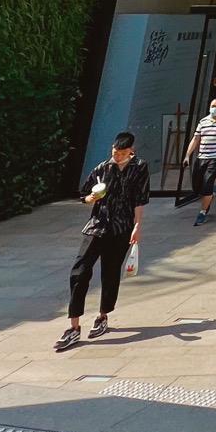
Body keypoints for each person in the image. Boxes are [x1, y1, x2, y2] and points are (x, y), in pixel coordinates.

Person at [57, 131, 150, 351]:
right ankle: (74, 327)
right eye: (114, 152)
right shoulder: (102, 168)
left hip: (121, 227)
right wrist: (91, 198)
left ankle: (102, 316)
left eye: (121, 153)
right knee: (79, 271)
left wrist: (137, 226)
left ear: (131, 151)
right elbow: (84, 194)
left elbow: (139, 199)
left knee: (110, 272)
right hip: (97, 225)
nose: (116, 156)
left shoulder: (139, 168)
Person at [183, 97, 216, 226]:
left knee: (208, 183)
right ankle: (210, 195)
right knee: (197, 186)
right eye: (212, 106)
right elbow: (196, 139)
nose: (214, 108)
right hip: (202, 157)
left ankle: (202, 212)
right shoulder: (203, 121)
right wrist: (187, 155)